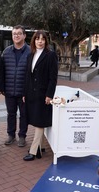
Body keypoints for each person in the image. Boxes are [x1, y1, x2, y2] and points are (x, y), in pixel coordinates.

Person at [23, 30, 58, 161]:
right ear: (34, 40)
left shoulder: (50, 55)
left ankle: (33, 151)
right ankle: (41, 147)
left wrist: (49, 95)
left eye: (43, 39)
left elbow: (53, 78)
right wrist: (24, 93)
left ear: (46, 41)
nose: (40, 41)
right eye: (37, 39)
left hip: (43, 94)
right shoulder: (30, 55)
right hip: (31, 93)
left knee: (39, 121)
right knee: (37, 119)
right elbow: (28, 76)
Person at [0, 25, 30, 147]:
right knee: (11, 114)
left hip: (24, 91)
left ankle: (22, 136)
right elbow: (1, 72)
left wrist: (28, 91)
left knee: (24, 115)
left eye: (19, 33)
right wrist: (2, 88)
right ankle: (11, 135)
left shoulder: (30, 52)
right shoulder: (6, 52)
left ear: (24, 35)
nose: (16, 35)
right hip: (9, 90)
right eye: (14, 34)